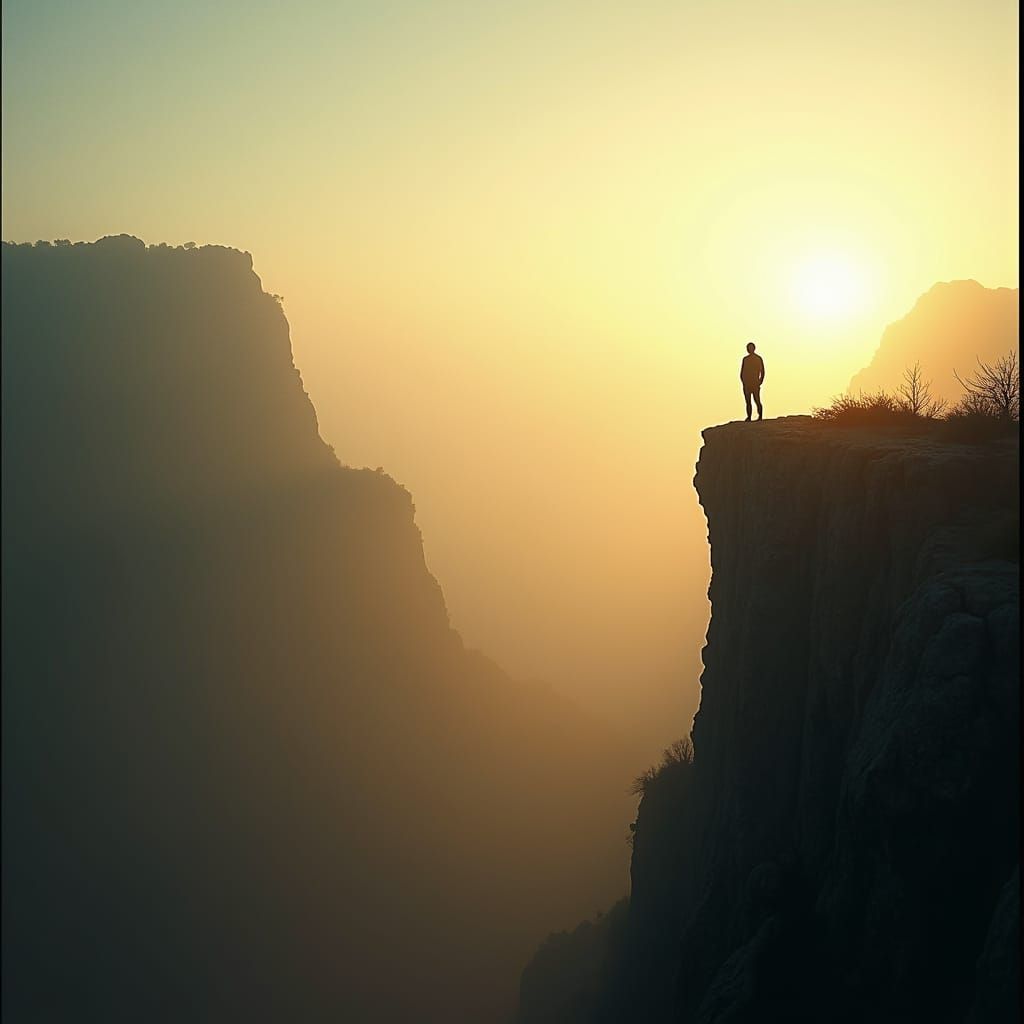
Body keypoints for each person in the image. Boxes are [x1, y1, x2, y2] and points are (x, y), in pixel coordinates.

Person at [740, 342, 765, 421]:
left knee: (757, 399)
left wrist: (760, 381)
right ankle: (749, 417)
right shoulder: (745, 359)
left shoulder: (758, 358)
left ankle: (760, 416)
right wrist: (743, 381)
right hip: (747, 383)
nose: (749, 349)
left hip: (755, 382)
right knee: (748, 401)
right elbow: (742, 371)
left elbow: (762, 371)